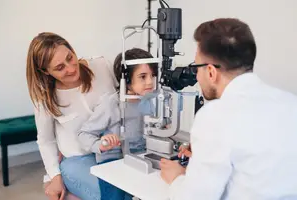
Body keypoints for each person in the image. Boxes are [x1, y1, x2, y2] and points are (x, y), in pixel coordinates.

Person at [160, 18, 297, 200]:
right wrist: (205, 152)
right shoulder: (290, 103)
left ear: (211, 72)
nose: (197, 76)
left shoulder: (215, 116)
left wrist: (177, 178)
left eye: (196, 68)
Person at [26, 32, 121, 200]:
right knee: (112, 195)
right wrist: (55, 177)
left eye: (70, 57)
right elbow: (46, 140)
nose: (70, 68)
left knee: (131, 188)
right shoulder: (45, 99)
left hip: (115, 151)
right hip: (78, 160)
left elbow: (126, 97)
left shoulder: (101, 66)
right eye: (59, 67)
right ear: (46, 71)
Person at [77, 48, 158, 199]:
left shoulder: (147, 100)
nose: (150, 82)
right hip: (112, 160)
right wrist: (100, 144)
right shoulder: (110, 104)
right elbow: (84, 135)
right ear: (125, 80)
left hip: (139, 157)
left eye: (153, 75)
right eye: (143, 76)